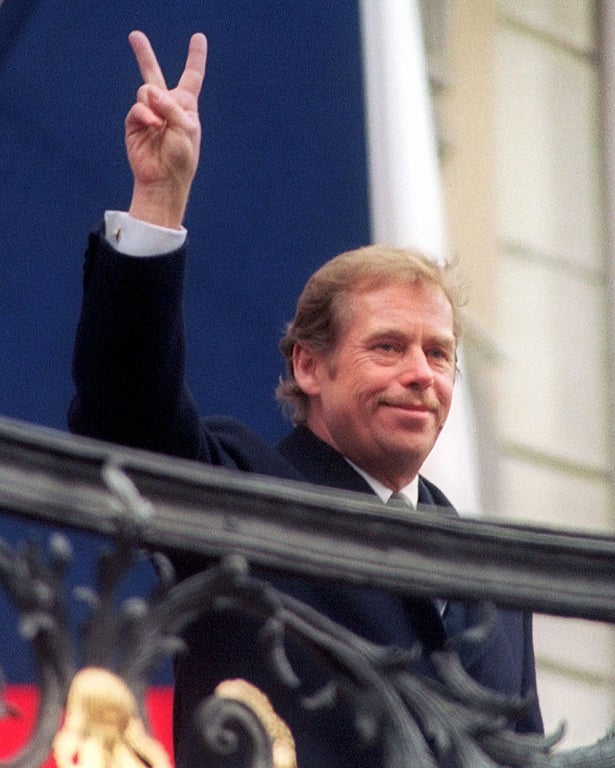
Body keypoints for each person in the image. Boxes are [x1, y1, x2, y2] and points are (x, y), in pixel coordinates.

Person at [68, 30, 543, 767]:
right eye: (387, 346)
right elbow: (122, 406)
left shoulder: (493, 574)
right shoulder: (238, 486)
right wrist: (159, 196)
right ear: (310, 367)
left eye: (438, 353)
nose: (421, 372)